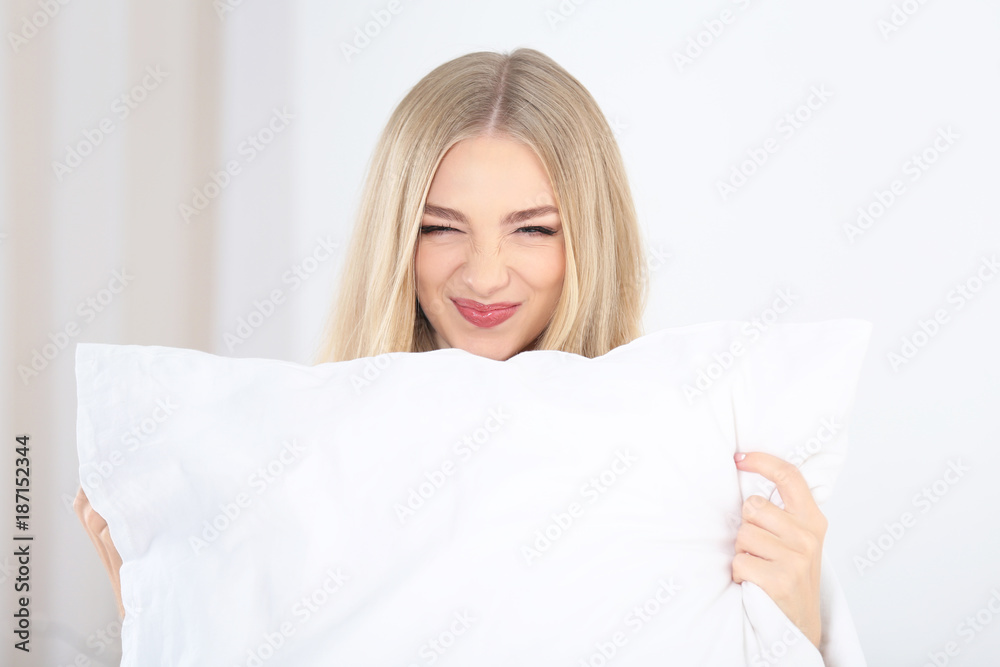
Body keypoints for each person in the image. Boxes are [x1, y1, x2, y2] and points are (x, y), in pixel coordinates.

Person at [76, 47, 828, 651]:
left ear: (589, 241)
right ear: (395, 237)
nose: (486, 273)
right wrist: (160, 606)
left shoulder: (690, 470)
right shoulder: (292, 471)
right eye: (441, 227)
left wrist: (800, 621)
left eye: (532, 228)